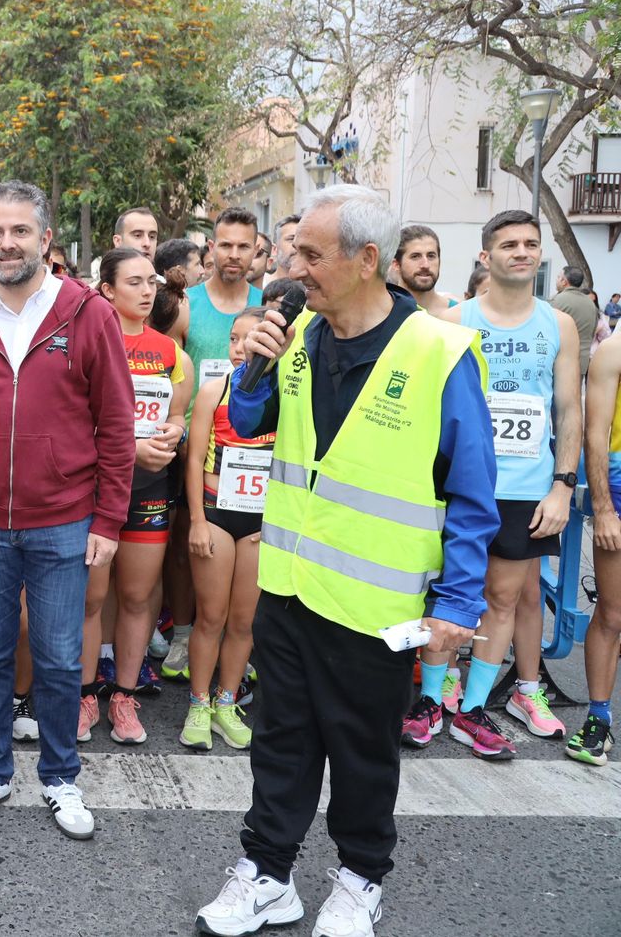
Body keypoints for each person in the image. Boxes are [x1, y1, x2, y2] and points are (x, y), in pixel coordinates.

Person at [193, 184, 495, 937]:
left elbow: (472, 489)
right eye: (293, 251)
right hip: (289, 587)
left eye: (310, 254)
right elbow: (252, 422)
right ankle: (267, 873)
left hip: (376, 603)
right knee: (280, 741)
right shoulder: (295, 332)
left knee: (362, 751)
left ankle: (360, 880)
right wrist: (253, 365)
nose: (293, 267)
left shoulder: (438, 350)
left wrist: (458, 604)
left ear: (368, 260)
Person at [0, 180, 134, 842]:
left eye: (19, 232)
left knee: (58, 658)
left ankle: (60, 776)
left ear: (47, 240)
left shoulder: (87, 314)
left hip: (64, 519)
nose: (6, 244)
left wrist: (107, 520)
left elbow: (117, 425)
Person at [419, 210, 580, 757]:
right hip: (458, 482)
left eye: (531, 244)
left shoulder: (557, 324)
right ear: (485, 257)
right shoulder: (452, 318)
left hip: (526, 485)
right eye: (509, 244)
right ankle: (430, 699)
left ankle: (474, 707)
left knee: (503, 597)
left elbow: (568, 408)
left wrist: (562, 485)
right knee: (445, 591)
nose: (522, 252)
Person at [81, 249, 190, 746]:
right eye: (134, 282)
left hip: (148, 488)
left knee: (138, 596)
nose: (147, 291)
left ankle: (123, 697)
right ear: (106, 290)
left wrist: (171, 431)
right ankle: (84, 695)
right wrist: (129, 450)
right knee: (90, 599)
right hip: (96, 487)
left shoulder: (172, 353)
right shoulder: (86, 343)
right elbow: (73, 423)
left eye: (152, 282)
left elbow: (178, 416)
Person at [183, 307, 274, 753]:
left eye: (248, 340)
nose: (240, 349)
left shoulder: (283, 396)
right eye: (234, 339)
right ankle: (198, 703)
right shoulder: (213, 390)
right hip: (217, 513)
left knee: (243, 622)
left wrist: (275, 523)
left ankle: (226, 702)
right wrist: (197, 521)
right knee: (213, 617)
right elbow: (194, 457)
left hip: (260, 521)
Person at [572, 332, 621, 766]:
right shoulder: (614, 350)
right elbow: (596, 433)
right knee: (612, 611)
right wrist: (604, 509)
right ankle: (598, 718)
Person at [186, 209, 264, 391]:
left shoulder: (267, 307)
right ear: (212, 247)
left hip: (247, 419)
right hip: (193, 419)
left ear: (256, 250)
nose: (234, 255)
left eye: (243, 247)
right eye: (226, 245)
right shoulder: (185, 304)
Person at [391, 225, 454, 316]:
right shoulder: (381, 314)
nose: (425, 265)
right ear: (396, 264)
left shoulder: (460, 314)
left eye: (431, 256)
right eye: (415, 256)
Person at [550, 265, 598, 378]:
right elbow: (593, 331)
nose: (556, 280)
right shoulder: (590, 303)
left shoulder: (556, 300)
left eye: (558, 277)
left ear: (564, 281)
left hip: (558, 362)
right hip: (582, 362)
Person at [266, 215, 300, 284]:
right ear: (274, 249)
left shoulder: (317, 290)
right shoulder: (259, 287)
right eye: (291, 239)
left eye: (303, 239)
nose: (298, 245)